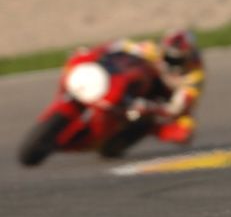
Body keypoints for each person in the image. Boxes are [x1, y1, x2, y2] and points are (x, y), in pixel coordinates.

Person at [42, 29, 205, 150]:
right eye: (166, 55)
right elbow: (119, 45)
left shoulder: (193, 76)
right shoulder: (153, 50)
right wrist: (93, 52)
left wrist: (150, 107)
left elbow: (176, 108)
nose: (168, 61)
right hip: (141, 84)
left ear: (188, 58)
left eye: (175, 59)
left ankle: (140, 130)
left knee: (183, 132)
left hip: (163, 99)